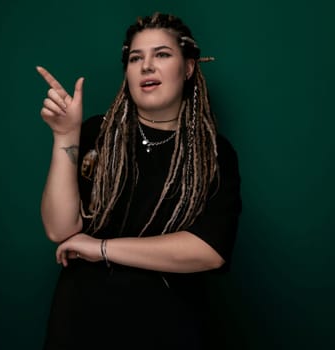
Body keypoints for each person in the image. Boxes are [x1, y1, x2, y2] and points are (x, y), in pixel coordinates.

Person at [36, 11, 242, 350]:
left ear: (188, 67)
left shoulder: (214, 153)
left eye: (162, 54)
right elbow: (60, 230)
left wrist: (102, 248)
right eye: (135, 58)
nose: (146, 66)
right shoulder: (96, 133)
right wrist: (64, 135)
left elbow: (208, 251)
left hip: (166, 327)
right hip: (81, 324)